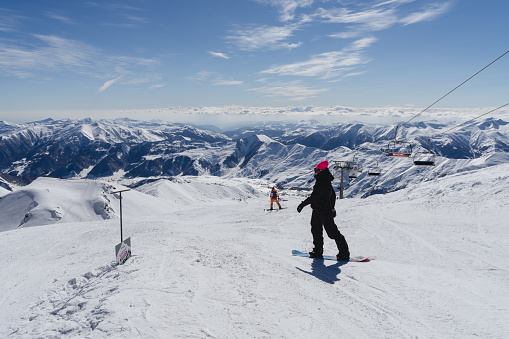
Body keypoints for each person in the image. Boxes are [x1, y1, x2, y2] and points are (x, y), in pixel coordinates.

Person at [297, 160, 350, 260]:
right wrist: (333, 207)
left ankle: (344, 252)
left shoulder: (323, 181)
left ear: (321, 170)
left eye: (317, 170)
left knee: (332, 232)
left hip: (325, 210)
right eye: (315, 170)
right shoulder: (324, 179)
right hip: (317, 209)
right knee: (316, 229)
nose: (315, 172)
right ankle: (318, 250)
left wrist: (302, 205)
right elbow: (333, 195)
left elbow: (315, 196)